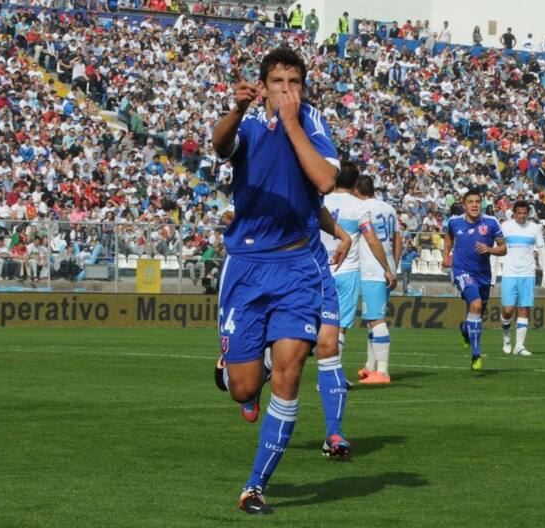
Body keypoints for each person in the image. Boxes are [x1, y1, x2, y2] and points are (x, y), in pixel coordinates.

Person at [210, 47, 338, 515]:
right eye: (279, 82)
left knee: (291, 374)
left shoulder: (313, 122)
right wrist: (237, 107)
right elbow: (219, 145)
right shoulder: (245, 123)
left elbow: (324, 180)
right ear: (263, 86)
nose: (288, 90)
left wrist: (292, 124)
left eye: (295, 82)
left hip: (297, 269)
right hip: (245, 266)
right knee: (244, 390)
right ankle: (247, 365)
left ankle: (255, 486)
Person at [322, 165, 396, 385]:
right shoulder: (358, 206)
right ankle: (331, 377)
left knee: (320, 325)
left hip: (319, 270)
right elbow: (371, 238)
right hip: (346, 271)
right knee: (340, 326)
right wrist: (386, 267)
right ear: (355, 184)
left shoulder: (321, 201)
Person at [442, 190, 506, 371]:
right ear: (464, 204)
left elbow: (503, 248)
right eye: (470, 201)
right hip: (462, 271)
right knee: (476, 304)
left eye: (478, 201)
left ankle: (465, 329)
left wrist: (489, 249)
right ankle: (476, 355)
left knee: (478, 311)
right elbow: (448, 238)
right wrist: (446, 256)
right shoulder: (454, 222)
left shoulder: (491, 222)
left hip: (484, 275)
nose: (475, 205)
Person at [353, 175, 400, 383]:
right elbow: (399, 238)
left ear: (357, 191)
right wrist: (393, 266)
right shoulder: (389, 208)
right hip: (386, 268)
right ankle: (370, 366)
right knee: (373, 319)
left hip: (373, 269)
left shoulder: (363, 209)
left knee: (376, 320)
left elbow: (370, 239)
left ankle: (382, 371)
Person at [499, 201, 544, 356]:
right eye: (519, 213)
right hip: (509, 273)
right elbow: (498, 246)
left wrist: (544, 271)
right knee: (508, 310)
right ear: (514, 213)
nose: (522, 216)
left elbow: (541, 249)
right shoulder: (505, 227)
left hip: (528, 274)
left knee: (524, 309)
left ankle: (519, 346)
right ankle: (506, 336)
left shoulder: (534, 228)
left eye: (525, 213)